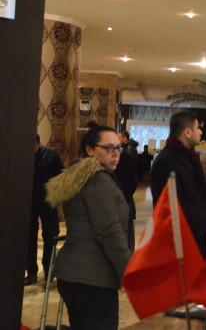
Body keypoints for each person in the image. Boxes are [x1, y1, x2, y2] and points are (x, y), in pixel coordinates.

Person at [45, 126, 132, 330]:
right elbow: (109, 231)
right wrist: (128, 272)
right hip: (93, 278)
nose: (116, 154)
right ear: (90, 150)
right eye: (109, 148)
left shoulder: (80, 176)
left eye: (118, 148)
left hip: (75, 275)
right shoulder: (99, 180)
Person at [150, 110, 206, 258]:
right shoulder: (165, 161)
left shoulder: (189, 157)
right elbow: (173, 206)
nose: (200, 131)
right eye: (197, 127)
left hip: (194, 235)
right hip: (177, 243)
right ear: (187, 132)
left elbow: (204, 190)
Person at [25, 135, 64, 285]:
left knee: (50, 235)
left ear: (38, 144)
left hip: (48, 202)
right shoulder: (23, 155)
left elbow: (61, 177)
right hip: (30, 202)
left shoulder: (51, 156)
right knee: (29, 236)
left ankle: (49, 270)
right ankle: (31, 273)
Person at [114, 130, 138, 249]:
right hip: (125, 195)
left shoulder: (126, 153)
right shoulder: (127, 151)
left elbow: (130, 179)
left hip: (124, 196)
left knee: (125, 230)